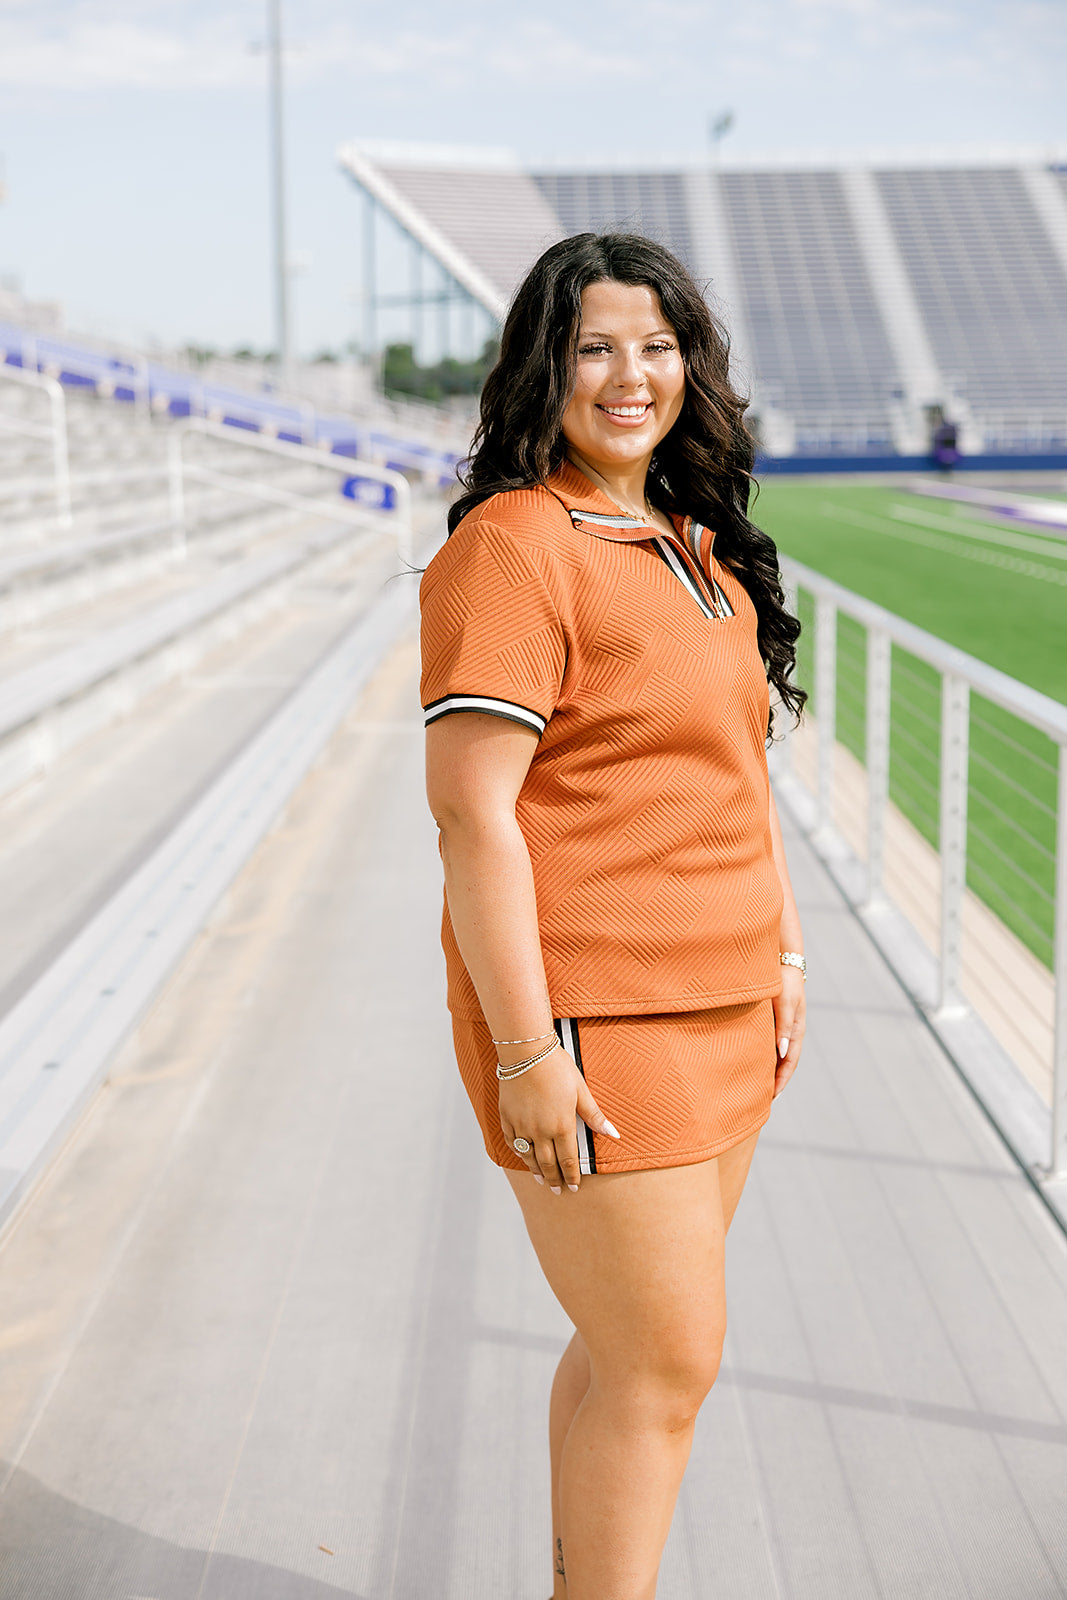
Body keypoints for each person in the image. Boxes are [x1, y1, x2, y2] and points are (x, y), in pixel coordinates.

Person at [419, 232, 807, 1600]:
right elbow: (473, 816)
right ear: (546, 366)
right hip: (601, 1024)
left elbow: (732, 773)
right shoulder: (515, 547)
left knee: (618, 1352)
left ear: (692, 368)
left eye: (658, 346)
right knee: (666, 1363)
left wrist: (786, 949)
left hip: (727, 1012)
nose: (630, 374)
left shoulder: (689, 541)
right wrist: (527, 1053)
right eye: (595, 346)